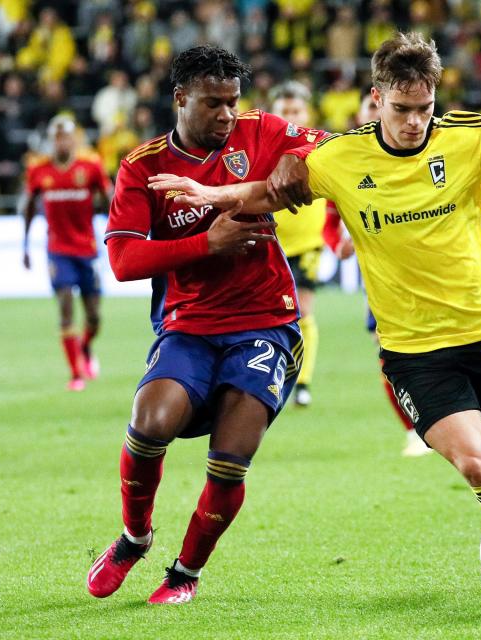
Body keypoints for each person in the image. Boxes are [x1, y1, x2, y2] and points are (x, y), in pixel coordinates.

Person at [147, 32, 481, 604]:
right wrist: (206, 194)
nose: (414, 122)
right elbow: (268, 193)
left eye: (424, 109)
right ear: (376, 99)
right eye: (401, 110)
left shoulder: (471, 136)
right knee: (477, 465)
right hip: (413, 352)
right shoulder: (341, 158)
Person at [86, 46, 322, 605]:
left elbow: (328, 143)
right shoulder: (143, 167)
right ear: (179, 98)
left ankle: (185, 572)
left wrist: (297, 157)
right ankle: (133, 538)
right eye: (212, 103)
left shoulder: (257, 131)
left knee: (230, 456)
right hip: (189, 323)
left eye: (232, 102)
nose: (225, 115)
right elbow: (121, 261)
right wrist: (205, 243)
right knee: (149, 423)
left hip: (266, 321)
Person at [324, 91, 430, 456]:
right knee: (390, 358)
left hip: (432, 269)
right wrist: (339, 244)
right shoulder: (347, 162)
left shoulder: (420, 149)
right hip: (382, 280)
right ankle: (416, 430)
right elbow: (330, 218)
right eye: (368, 109)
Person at [22, 114, 112, 391]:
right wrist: (24, 244)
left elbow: (110, 198)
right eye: (57, 137)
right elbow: (28, 207)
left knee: (94, 316)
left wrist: (117, 232)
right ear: (52, 140)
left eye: (67, 136)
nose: (62, 142)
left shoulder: (91, 165)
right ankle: (75, 374)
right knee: (65, 308)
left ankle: (84, 347)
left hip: (87, 249)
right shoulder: (39, 170)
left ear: (75, 139)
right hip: (57, 250)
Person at [268, 81, 330, 407]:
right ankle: (273, 373)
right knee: (270, 313)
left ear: (307, 113)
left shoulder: (321, 148)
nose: (291, 117)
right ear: (273, 114)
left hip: (307, 243)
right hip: (268, 242)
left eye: (297, 111)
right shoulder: (261, 147)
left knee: (303, 310)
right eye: (284, 112)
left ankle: (302, 383)